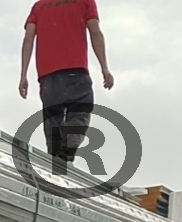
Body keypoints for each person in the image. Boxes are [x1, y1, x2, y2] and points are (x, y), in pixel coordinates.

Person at [19, 0, 114, 174]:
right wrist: (105, 68)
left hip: (47, 77)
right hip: (75, 70)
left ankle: (56, 162)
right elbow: (95, 33)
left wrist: (23, 75)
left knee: (52, 121)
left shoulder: (39, 6)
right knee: (80, 113)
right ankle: (65, 156)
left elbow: (28, 39)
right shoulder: (85, 2)